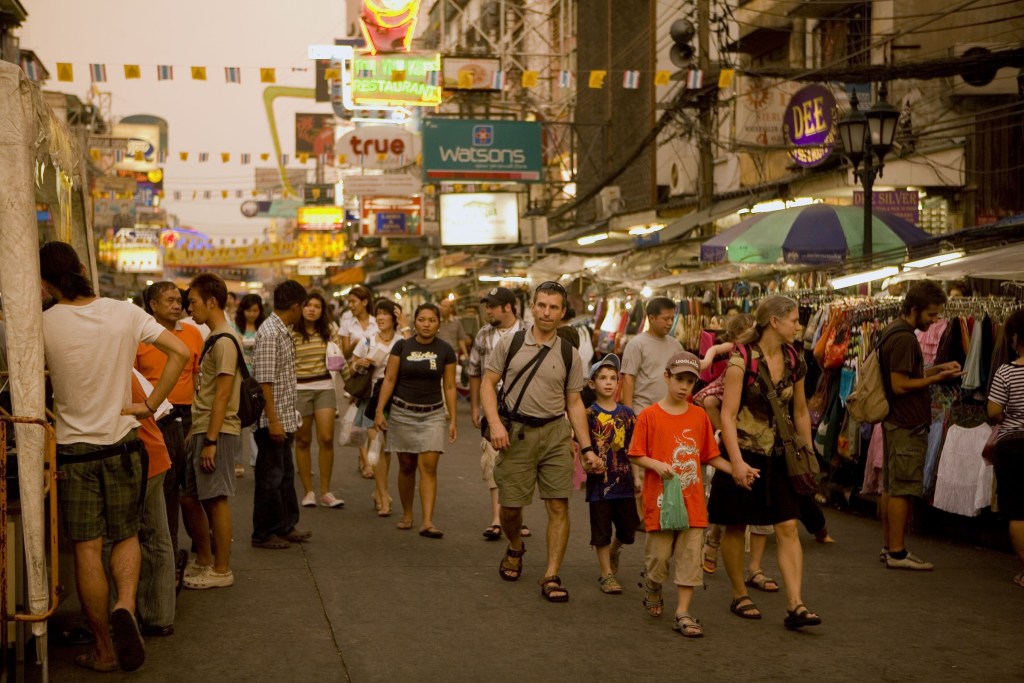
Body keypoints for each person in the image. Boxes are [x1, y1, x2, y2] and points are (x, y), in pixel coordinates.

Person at [40, 241, 188, 672]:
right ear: (83, 270)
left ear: (45, 283)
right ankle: (126, 603)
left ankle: (104, 648)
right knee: (126, 536)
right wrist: (150, 404)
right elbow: (180, 352)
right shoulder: (125, 312)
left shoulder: (44, 323)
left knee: (88, 548)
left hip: (74, 453)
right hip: (124, 444)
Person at [706, 295, 822, 629]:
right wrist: (736, 463)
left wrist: (808, 454)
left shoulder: (795, 359)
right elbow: (727, 416)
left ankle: (796, 604)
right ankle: (739, 594)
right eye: (794, 320)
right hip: (744, 452)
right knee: (736, 524)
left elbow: (800, 411)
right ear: (774, 321)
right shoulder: (741, 360)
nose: (799, 326)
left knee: (787, 525)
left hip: (780, 454)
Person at [481, 280, 594, 603]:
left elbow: (574, 403)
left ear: (562, 312)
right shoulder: (511, 343)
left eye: (553, 307)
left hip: (555, 434)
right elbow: (488, 384)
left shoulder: (570, 354)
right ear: (532, 307)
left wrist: (586, 447)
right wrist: (495, 423)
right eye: (542, 305)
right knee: (510, 508)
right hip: (516, 433)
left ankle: (551, 575)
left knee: (558, 504)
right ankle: (516, 546)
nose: (546, 312)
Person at [629, 352, 741, 638]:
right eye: (679, 379)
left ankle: (683, 612)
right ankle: (653, 585)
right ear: (666, 377)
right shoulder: (649, 416)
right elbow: (635, 453)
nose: (684, 386)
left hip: (693, 503)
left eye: (690, 382)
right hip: (661, 502)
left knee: (690, 558)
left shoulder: (699, 415)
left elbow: (709, 455)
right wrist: (656, 465)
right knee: (658, 558)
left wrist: (737, 470)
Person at [878, 280, 962, 570]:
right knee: (902, 488)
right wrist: (937, 378)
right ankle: (897, 552)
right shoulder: (904, 338)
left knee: (892, 486)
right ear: (914, 308)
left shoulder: (894, 331)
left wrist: (938, 368)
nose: (934, 320)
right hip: (907, 423)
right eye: (931, 314)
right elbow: (900, 384)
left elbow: (907, 374)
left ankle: (889, 547)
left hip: (897, 420)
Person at [135, 281, 205, 575]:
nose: (178, 305)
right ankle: (166, 558)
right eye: (170, 300)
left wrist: (197, 421)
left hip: (187, 416)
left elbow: (198, 379)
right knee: (162, 490)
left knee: (191, 489)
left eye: (180, 300)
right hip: (153, 418)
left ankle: (198, 551)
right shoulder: (139, 336)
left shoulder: (192, 333)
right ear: (153, 305)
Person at [374, 303, 458, 538]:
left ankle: (428, 521)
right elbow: (389, 379)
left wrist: (452, 419)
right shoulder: (402, 346)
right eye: (422, 320)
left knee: (429, 467)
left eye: (432, 320)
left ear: (438, 323)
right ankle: (407, 514)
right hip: (402, 412)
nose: (426, 325)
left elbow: (450, 386)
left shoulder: (446, 350)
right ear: (415, 322)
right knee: (406, 465)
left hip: (433, 414)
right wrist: (380, 410)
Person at [181, 274, 243, 589]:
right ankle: (205, 559)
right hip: (203, 427)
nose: (188, 308)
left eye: (192, 301)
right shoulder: (214, 337)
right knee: (191, 497)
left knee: (216, 499)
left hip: (217, 430)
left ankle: (221, 569)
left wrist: (211, 440)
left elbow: (222, 394)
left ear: (212, 301)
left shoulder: (226, 341)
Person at [251, 280, 312, 550]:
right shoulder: (270, 333)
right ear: (296, 306)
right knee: (270, 478)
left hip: (284, 418)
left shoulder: (281, 330)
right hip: (271, 421)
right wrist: (273, 421)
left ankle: (285, 525)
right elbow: (264, 382)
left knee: (285, 475)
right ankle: (264, 533)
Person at [468, 287, 528, 541]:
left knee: (519, 464)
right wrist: (475, 406)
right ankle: (496, 519)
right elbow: (474, 371)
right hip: (492, 407)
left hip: (524, 409)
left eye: (492, 306)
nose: (488, 311)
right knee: (493, 460)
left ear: (508, 307)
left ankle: (516, 517)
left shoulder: (528, 332)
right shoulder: (483, 334)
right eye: (487, 306)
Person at [582, 354, 638, 595]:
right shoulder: (587, 414)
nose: (608, 382)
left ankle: (615, 550)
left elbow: (634, 449)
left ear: (618, 383)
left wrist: (637, 477)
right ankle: (606, 574)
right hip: (600, 486)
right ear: (592, 384)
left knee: (629, 530)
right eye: (602, 377)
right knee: (601, 531)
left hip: (624, 482)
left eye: (613, 378)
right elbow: (581, 448)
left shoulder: (628, 414)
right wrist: (586, 466)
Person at [127, 371, 176, 638]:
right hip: (152, 448)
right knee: (156, 536)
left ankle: (126, 611)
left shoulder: (112, 367)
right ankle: (158, 616)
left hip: (142, 453)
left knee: (133, 537)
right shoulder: (123, 366)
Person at [292, 291, 343, 509]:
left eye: (317, 306)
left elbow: (338, 359)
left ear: (323, 311)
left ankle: (325, 491)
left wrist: (353, 385)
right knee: (303, 440)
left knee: (327, 437)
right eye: (308, 305)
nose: (312, 309)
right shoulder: (291, 331)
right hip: (299, 389)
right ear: (301, 308)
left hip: (324, 388)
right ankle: (308, 492)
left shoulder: (329, 330)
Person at [352, 299, 402, 517]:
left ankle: (378, 491)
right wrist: (359, 364)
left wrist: (405, 324)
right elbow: (352, 365)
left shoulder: (402, 340)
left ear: (395, 317)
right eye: (378, 314)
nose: (380, 318)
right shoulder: (368, 340)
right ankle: (383, 496)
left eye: (385, 313)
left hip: (395, 398)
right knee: (377, 445)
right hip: (372, 398)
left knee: (386, 449)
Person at [987, 308, 1024, 588]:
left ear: (1015, 338)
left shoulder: (1007, 371)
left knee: (1018, 510)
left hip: (1014, 446)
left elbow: (993, 411)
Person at [338, 285, 379, 478]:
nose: (351, 305)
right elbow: (344, 354)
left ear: (364, 302)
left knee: (370, 420)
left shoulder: (376, 322)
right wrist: (357, 344)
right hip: (355, 374)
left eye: (354, 301)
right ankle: (366, 462)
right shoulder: (347, 323)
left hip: (375, 374)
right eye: (349, 302)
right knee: (359, 419)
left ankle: (365, 458)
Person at [620, 297, 683, 413]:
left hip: (669, 411)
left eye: (672, 318)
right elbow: (628, 379)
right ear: (651, 318)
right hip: (643, 411)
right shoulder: (636, 344)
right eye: (666, 319)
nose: (670, 323)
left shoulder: (676, 345)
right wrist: (629, 414)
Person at [233, 293, 266, 475]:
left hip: (258, 375)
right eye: (249, 310)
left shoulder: (263, 327)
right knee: (238, 419)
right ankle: (237, 461)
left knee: (256, 417)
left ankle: (256, 458)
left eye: (255, 310)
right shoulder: (235, 326)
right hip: (239, 376)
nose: (252, 314)